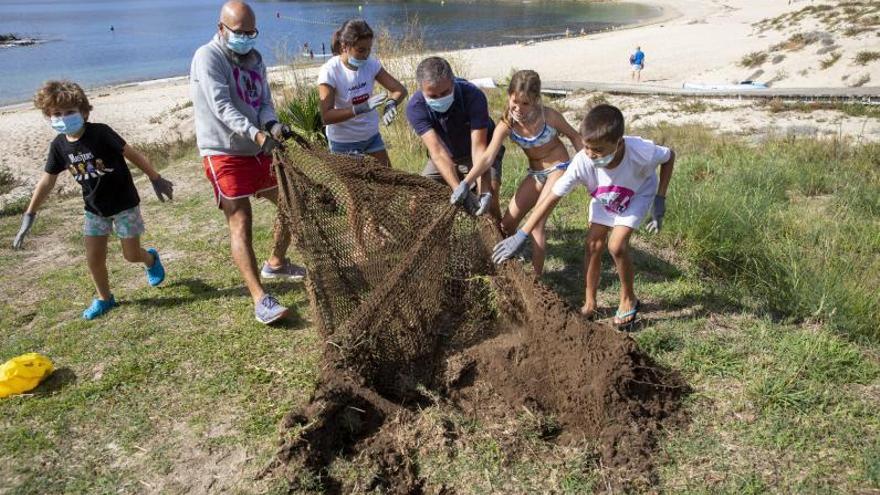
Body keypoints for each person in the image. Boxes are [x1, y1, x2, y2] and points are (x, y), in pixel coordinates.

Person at [492, 104, 675, 328]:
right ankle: (590, 303)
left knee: (616, 245)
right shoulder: (582, 162)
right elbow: (551, 198)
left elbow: (669, 157)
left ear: (619, 143)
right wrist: (521, 234)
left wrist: (660, 198)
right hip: (605, 196)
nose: (590, 154)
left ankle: (628, 298)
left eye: (597, 150)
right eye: (587, 147)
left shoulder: (641, 151)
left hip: (636, 193)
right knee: (592, 244)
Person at [12, 80, 172, 320]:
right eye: (56, 113)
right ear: (48, 116)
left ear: (84, 112)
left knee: (130, 255)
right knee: (94, 259)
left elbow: (132, 154)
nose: (63, 118)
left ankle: (150, 259)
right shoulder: (58, 146)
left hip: (124, 204)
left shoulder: (101, 133)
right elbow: (47, 181)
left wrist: (155, 178)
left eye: (69, 112)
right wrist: (29, 214)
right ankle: (105, 298)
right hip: (94, 210)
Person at [190, 0, 304, 325]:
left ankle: (277, 263)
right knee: (241, 220)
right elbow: (221, 106)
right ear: (221, 28)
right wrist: (257, 135)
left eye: (251, 32)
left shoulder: (255, 58)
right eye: (238, 32)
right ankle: (260, 298)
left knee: (290, 202)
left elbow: (263, 101)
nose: (245, 37)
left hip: (258, 146)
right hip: (223, 152)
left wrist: (273, 125)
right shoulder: (207, 57)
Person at [452, 70, 582, 276]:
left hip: (559, 168)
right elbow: (487, 157)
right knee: (506, 225)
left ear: (536, 100)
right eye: (515, 102)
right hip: (536, 174)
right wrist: (466, 183)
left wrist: (581, 165)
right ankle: (505, 266)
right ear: (509, 96)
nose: (518, 108)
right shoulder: (507, 124)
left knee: (537, 223)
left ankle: (538, 281)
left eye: (525, 103)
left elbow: (575, 136)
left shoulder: (549, 116)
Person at [406, 56, 502, 218]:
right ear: (422, 90)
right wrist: (459, 189)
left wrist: (484, 189)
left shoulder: (473, 95)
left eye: (445, 93)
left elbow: (479, 149)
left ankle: (502, 235)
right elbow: (437, 153)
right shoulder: (415, 107)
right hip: (445, 153)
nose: (439, 99)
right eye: (433, 96)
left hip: (481, 149)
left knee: (489, 196)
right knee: (417, 200)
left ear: (453, 82)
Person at [317, 19, 407, 167]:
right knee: (355, 190)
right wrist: (359, 109)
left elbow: (399, 90)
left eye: (369, 49)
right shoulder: (330, 71)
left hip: (371, 137)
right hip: (344, 142)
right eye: (360, 50)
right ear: (345, 46)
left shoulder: (370, 64)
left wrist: (392, 103)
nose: (366, 55)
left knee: (389, 184)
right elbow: (326, 117)